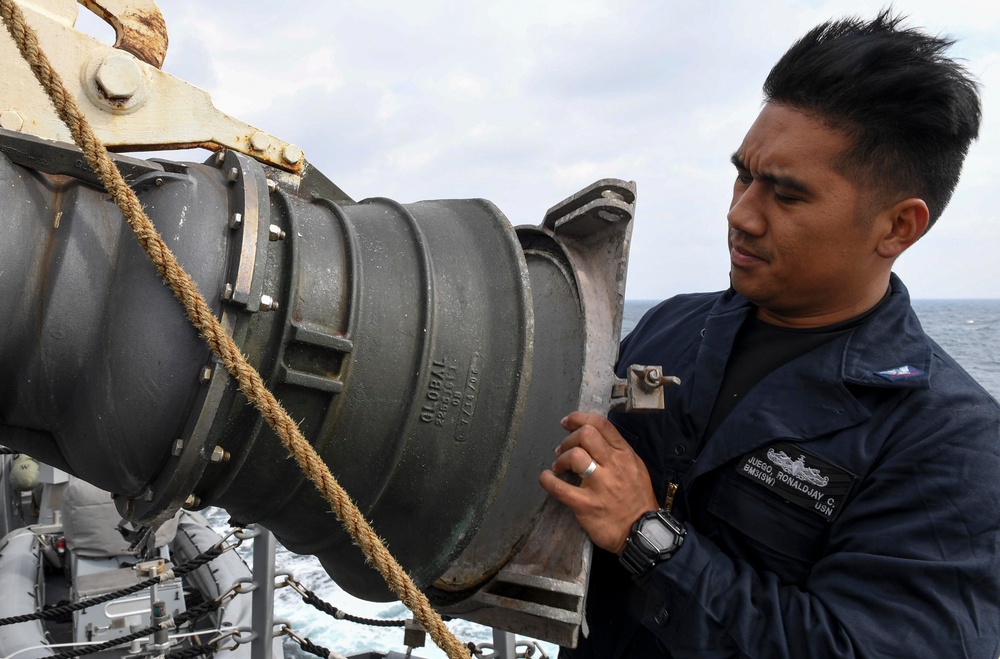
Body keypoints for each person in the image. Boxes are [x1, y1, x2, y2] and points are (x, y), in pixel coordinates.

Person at [539, 10, 1000, 658]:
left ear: (898, 226)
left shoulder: (949, 442)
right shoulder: (673, 326)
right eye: (743, 174)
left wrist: (649, 535)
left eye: (785, 195)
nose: (740, 213)